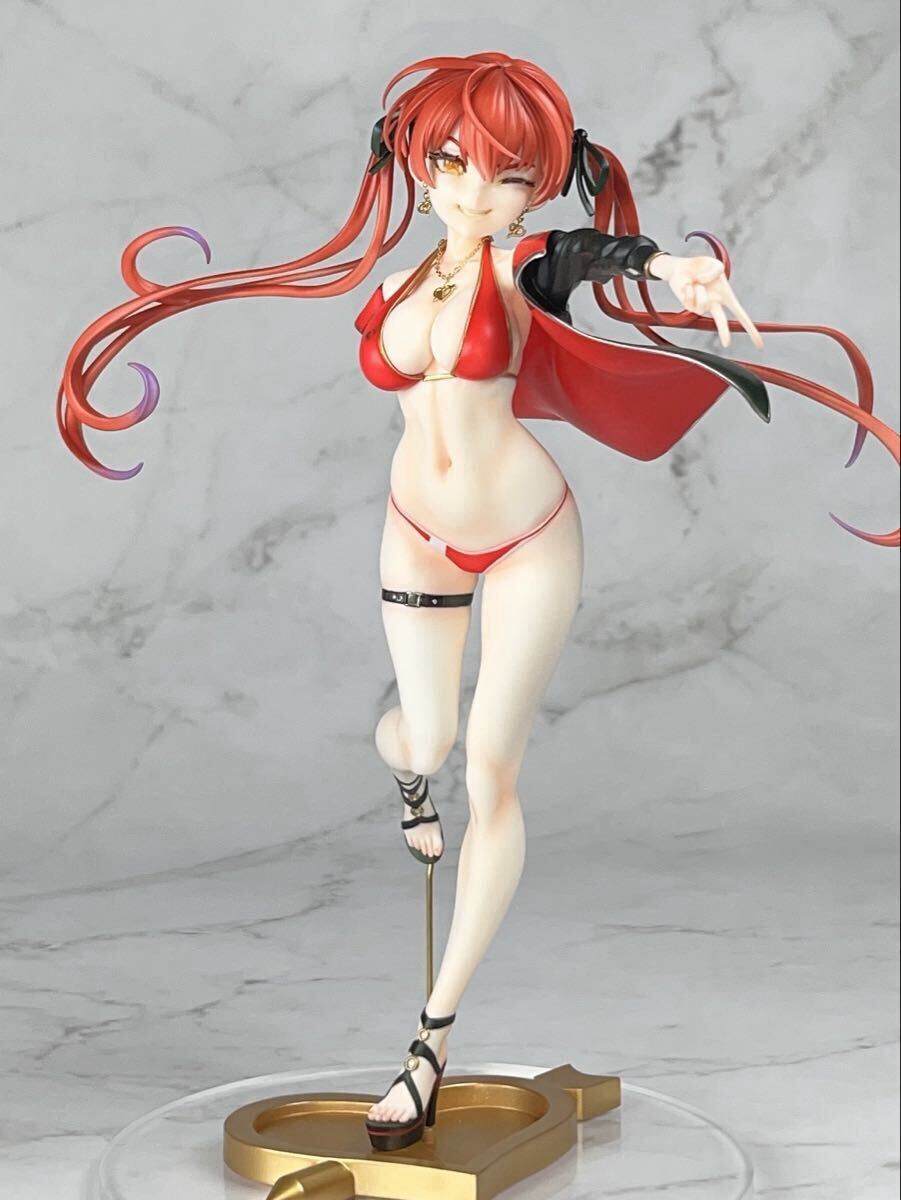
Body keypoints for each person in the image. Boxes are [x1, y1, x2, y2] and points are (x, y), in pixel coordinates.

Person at [57, 51, 898, 1154]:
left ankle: (430, 1040)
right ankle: (410, 776)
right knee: (426, 739)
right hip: (416, 530)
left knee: (493, 769)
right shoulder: (394, 283)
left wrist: (673, 266)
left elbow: (597, 255)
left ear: (536, 184)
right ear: (415, 162)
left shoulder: (522, 264)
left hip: (526, 535)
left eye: (507, 175)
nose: (474, 192)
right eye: (452, 163)